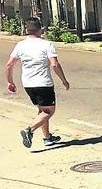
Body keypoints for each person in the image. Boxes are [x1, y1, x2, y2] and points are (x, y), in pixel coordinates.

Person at [5, 17, 70, 148]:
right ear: (41, 29)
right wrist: (64, 80)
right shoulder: (46, 44)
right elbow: (54, 64)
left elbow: (9, 65)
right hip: (43, 83)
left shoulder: (20, 45)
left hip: (28, 84)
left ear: (27, 30)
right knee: (49, 111)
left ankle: (47, 138)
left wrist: (10, 82)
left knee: (42, 110)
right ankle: (29, 130)